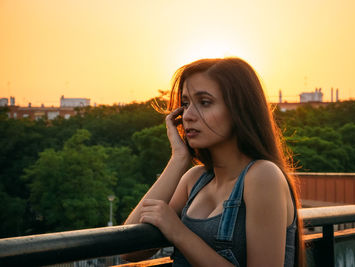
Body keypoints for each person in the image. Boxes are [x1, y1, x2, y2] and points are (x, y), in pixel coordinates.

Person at [123, 57, 304, 267]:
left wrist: (179, 233)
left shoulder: (263, 175)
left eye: (205, 102)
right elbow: (129, 249)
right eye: (185, 104)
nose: (188, 115)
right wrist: (179, 158)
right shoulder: (194, 180)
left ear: (239, 110)